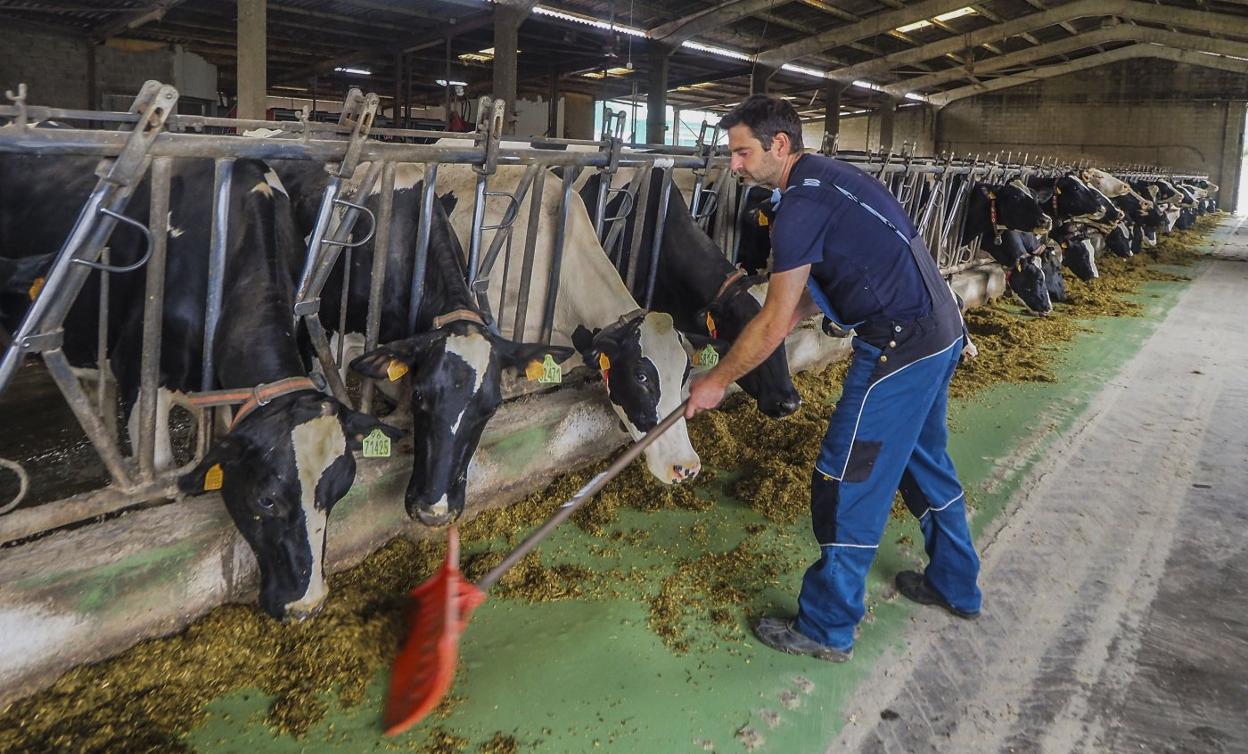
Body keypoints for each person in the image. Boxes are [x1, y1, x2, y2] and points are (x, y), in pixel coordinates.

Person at [684, 95, 982, 662]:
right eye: (731, 154)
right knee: (923, 463)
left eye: (743, 152)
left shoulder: (798, 208)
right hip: (938, 329)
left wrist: (716, 380)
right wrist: (759, 322)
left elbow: (774, 323)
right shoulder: (824, 180)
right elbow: (796, 304)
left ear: (778, 144)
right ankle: (956, 582)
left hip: (899, 345)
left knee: (847, 476)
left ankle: (825, 626)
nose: (735, 166)